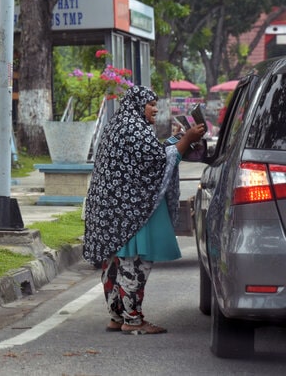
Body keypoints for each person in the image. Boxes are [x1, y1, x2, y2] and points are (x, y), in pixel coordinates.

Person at [83, 86, 205, 335]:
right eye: (151, 104)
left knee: (115, 263)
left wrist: (176, 140)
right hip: (132, 210)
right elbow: (158, 161)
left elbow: (151, 153)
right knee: (134, 263)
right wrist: (187, 140)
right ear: (138, 105)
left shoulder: (121, 123)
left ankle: (117, 316)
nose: (155, 108)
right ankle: (133, 320)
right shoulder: (135, 128)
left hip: (112, 210)